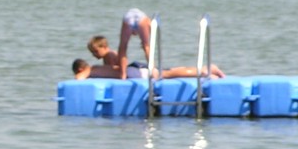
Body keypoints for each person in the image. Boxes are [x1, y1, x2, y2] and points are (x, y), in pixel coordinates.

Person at [72, 59, 225, 80]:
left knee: (167, 74)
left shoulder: (91, 69)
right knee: (169, 72)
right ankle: (204, 69)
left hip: (135, 72)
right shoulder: (99, 67)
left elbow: (79, 79)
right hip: (135, 68)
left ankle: (205, 70)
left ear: (80, 68)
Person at [116, 8, 153, 79]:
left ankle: (123, 74)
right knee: (147, 47)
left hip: (128, 17)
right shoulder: (147, 21)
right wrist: (143, 43)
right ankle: (152, 71)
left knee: (123, 47)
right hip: (142, 19)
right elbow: (146, 43)